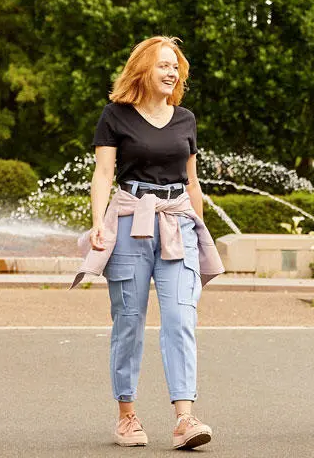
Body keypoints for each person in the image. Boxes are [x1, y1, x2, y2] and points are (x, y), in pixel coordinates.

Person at [84, 36, 224, 451]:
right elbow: (103, 174)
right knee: (128, 323)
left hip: (177, 225)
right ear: (143, 69)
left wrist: (202, 235)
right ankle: (126, 416)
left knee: (181, 320)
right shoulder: (115, 116)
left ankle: (184, 418)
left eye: (176, 66)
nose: (172, 72)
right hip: (129, 224)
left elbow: (192, 181)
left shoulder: (185, 119)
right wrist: (97, 224)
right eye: (164, 64)